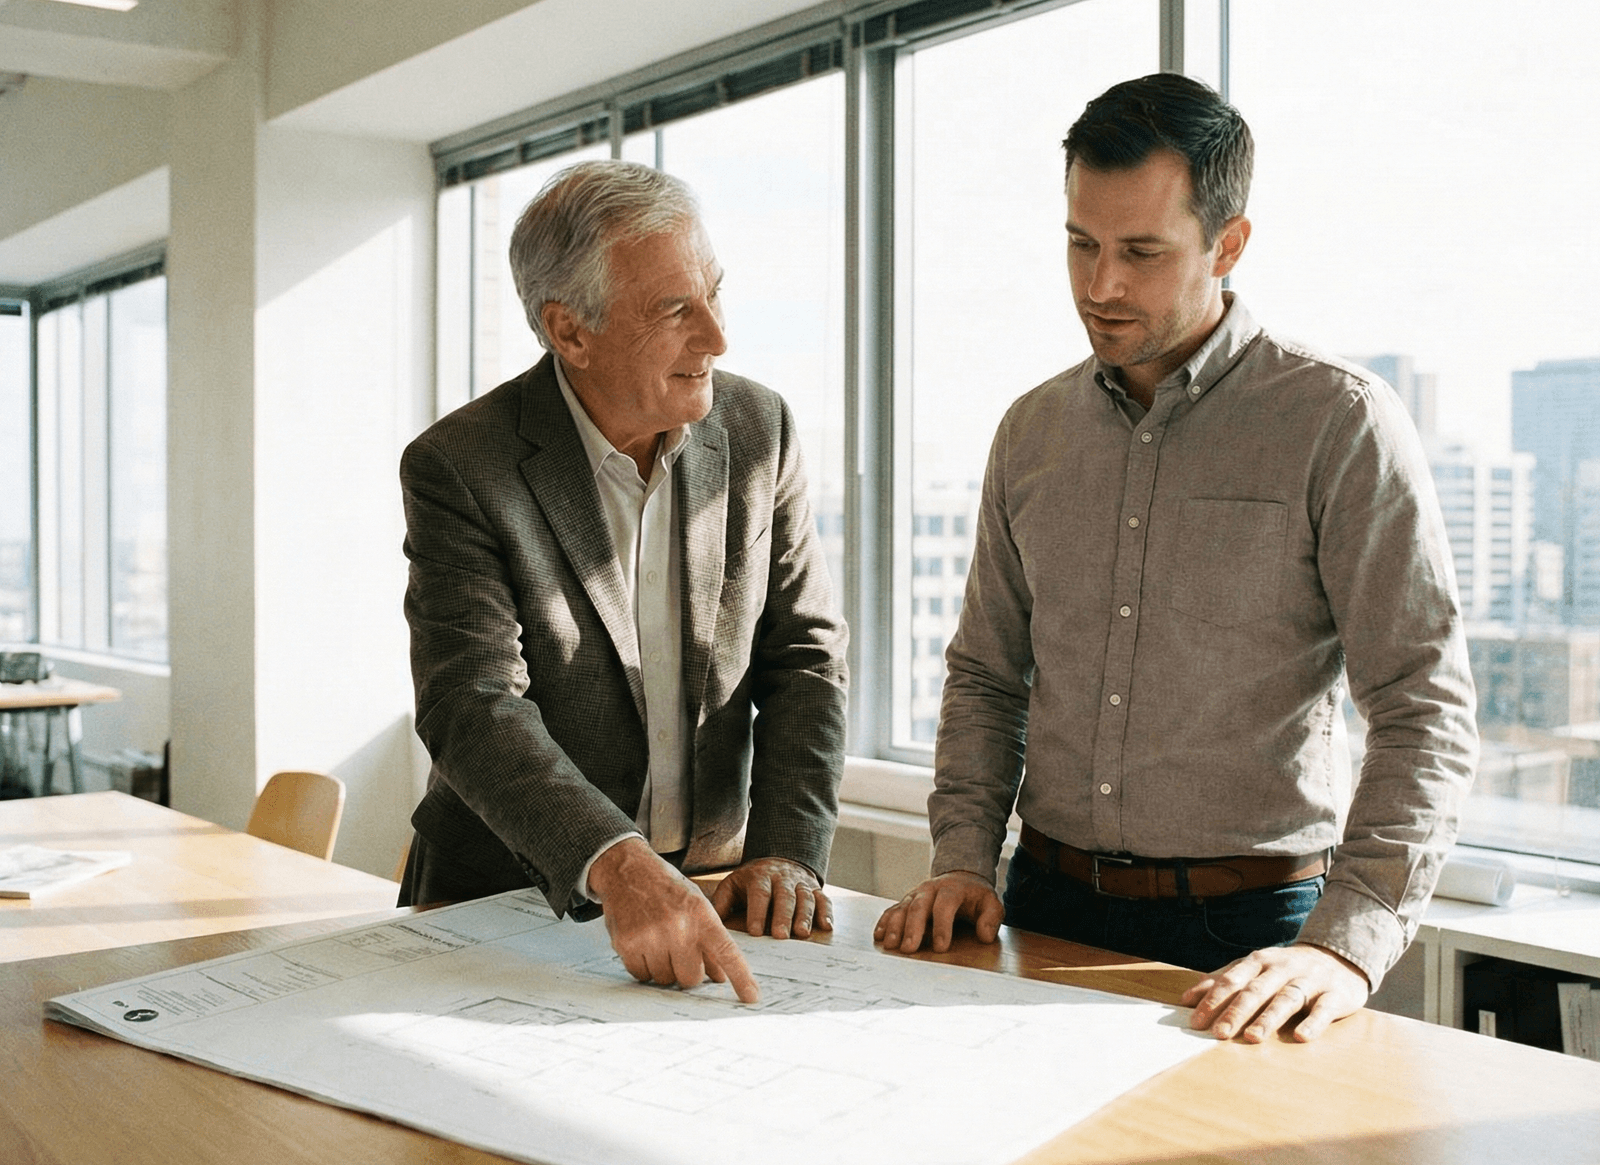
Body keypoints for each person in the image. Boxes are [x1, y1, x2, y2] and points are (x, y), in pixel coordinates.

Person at [875, 73, 1477, 1043]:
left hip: (1253, 932)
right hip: (1041, 903)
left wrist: (1346, 941)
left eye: (1141, 253)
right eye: (1080, 243)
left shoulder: (1338, 423)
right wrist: (959, 859)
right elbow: (986, 673)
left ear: (1227, 244)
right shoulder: (1029, 432)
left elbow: (1422, 705)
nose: (1099, 286)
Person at [399, 160, 849, 1004]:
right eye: (676, 309)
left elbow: (807, 656)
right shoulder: (462, 466)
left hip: (716, 892)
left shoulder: (759, 430)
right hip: (505, 892)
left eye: (713, 292)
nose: (716, 336)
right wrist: (617, 861)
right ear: (569, 331)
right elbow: (473, 703)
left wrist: (786, 847)